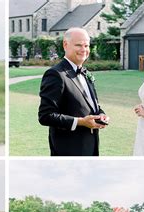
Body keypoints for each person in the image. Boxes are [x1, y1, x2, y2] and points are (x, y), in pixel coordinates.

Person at [38, 27, 109, 156]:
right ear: (65, 45)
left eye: (86, 45)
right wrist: (81, 122)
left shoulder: (86, 73)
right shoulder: (55, 74)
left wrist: (101, 115)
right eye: (79, 45)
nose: (84, 50)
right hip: (68, 150)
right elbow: (45, 116)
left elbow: (92, 105)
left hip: (90, 147)